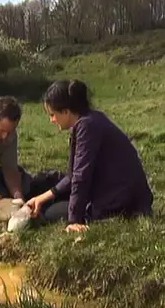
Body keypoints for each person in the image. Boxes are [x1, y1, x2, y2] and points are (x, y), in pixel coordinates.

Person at [25, 79, 154, 232]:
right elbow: (73, 176)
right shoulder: (91, 119)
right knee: (49, 196)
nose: (51, 120)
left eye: (53, 114)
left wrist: (74, 220)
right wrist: (43, 197)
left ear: (66, 111)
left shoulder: (87, 127)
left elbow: (80, 177)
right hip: (123, 193)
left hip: (120, 200)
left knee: (50, 213)